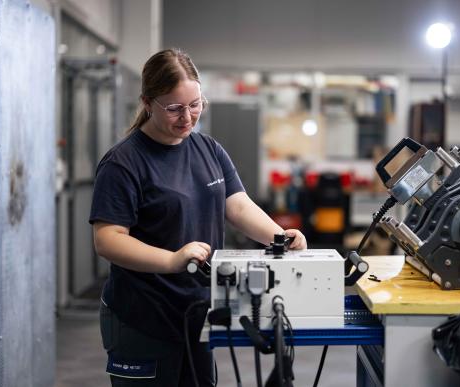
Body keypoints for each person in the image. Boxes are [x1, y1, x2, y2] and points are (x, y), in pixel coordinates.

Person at [89, 48, 307, 387]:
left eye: (195, 105)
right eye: (174, 108)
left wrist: (280, 236)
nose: (187, 117)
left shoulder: (208, 149)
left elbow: (237, 205)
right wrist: (173, 260)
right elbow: (108, 239)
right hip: (144, 317)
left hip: (197, 313)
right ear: (148, 102)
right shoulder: (124, 163)